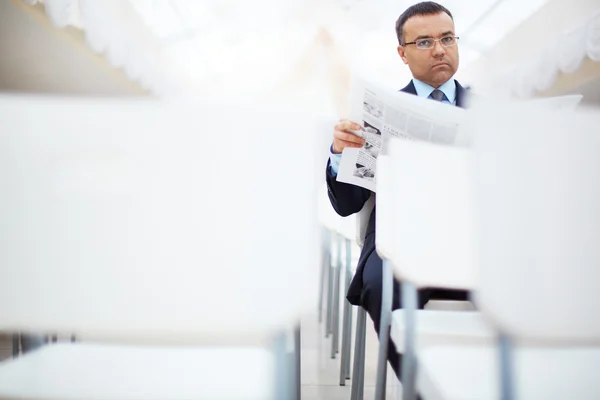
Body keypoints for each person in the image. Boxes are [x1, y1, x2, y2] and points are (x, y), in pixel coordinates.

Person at [325, 1, 469, 379]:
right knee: (379, 285)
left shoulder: (492, 112)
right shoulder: (376, 113)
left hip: (474, 237)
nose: (439, 49)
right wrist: (340, 154)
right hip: (398, 237)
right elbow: (346, 205)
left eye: (447, 38)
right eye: (424, 42)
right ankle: (423, 385)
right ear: (402, 54)